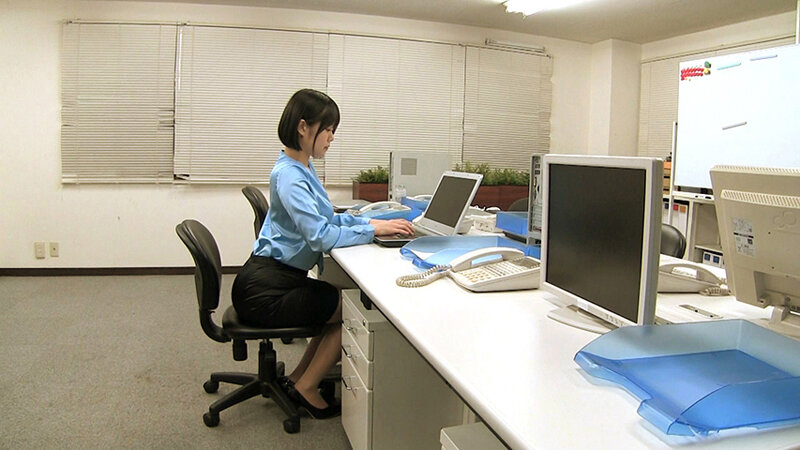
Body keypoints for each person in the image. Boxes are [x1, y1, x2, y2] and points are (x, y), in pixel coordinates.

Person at [231, 88, 413, 419]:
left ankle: (299, 379)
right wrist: (371, 231)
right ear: (303, 127)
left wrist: (370, 222)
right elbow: (320, 236)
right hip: (265, 290)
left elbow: (325, 218)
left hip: (275, 278)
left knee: (340, 303)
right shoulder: (290, 177)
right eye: (327, 129)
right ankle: (307, 386)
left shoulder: (302, 167)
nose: (331, 138)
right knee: (352, 309)